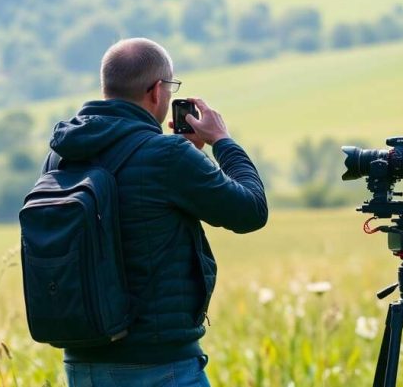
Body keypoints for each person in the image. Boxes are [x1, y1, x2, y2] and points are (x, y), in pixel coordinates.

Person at [41, 37, 268, 386]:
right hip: (161, 366)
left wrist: (188, 157)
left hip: (82, 364)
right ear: (157, 91)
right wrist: (222, 140)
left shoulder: (61, 154)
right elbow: (251, 210)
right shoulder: (167, 155)